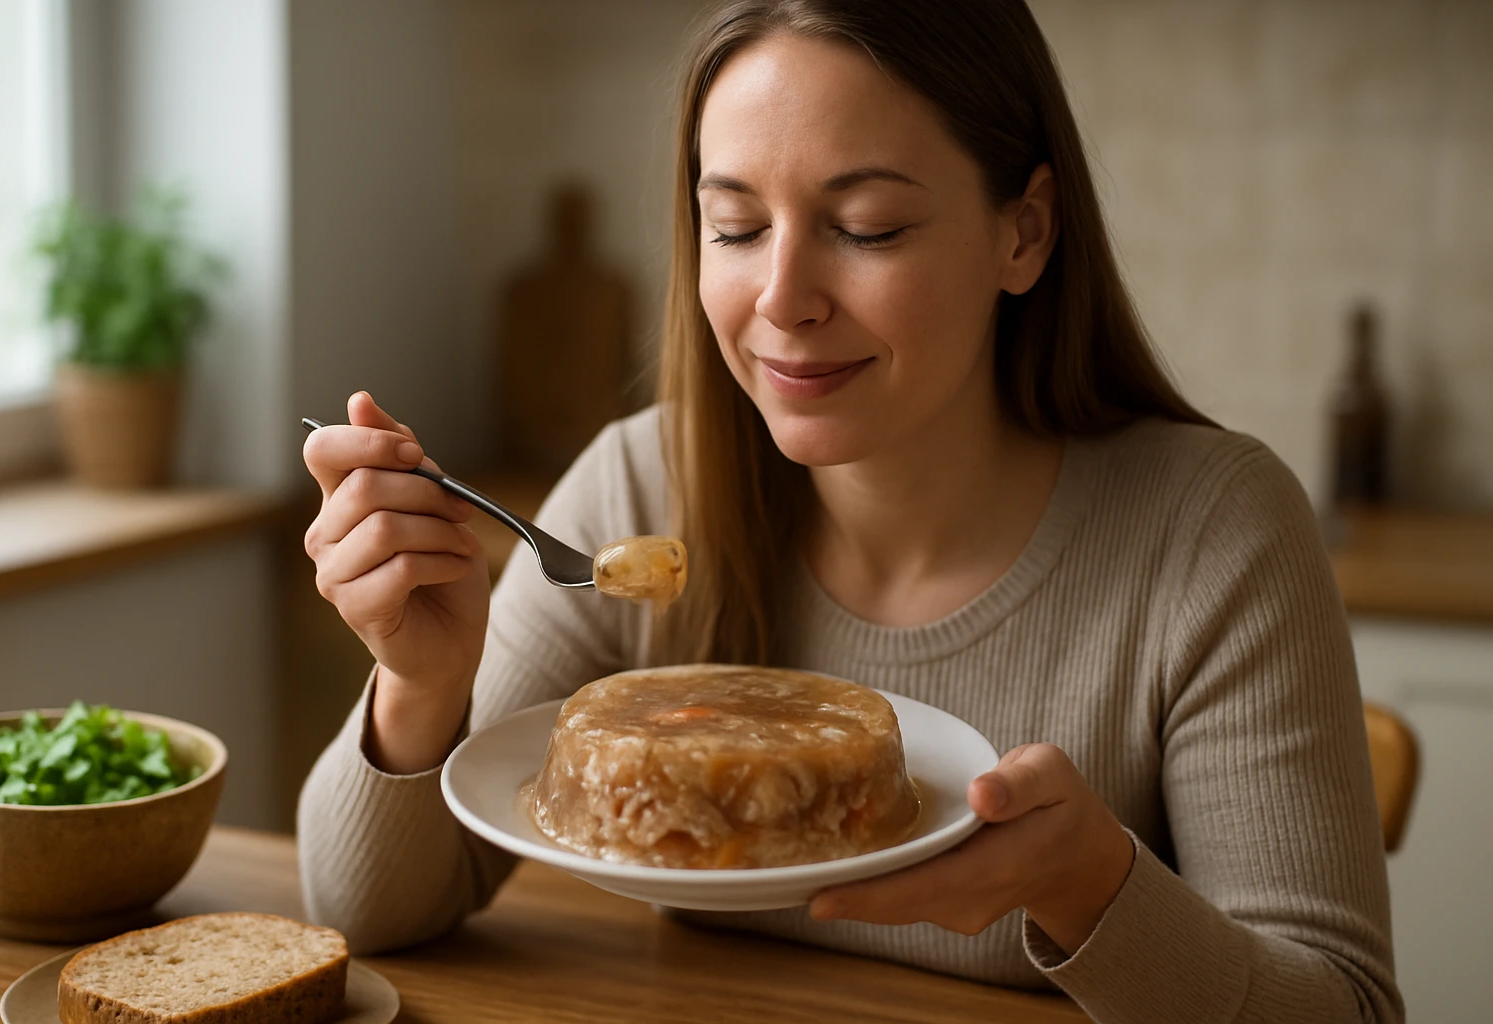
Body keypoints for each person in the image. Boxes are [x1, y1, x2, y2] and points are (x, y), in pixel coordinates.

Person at [296, 3, 1402, 1021]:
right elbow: (373, 916)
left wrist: (1095, 888)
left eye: (867, 227)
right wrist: (422, 683)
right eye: (734, 227)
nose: (782, 300)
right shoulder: (644, 488)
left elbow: (1344, 1005)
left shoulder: (1212, 533)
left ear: (1024, 231)